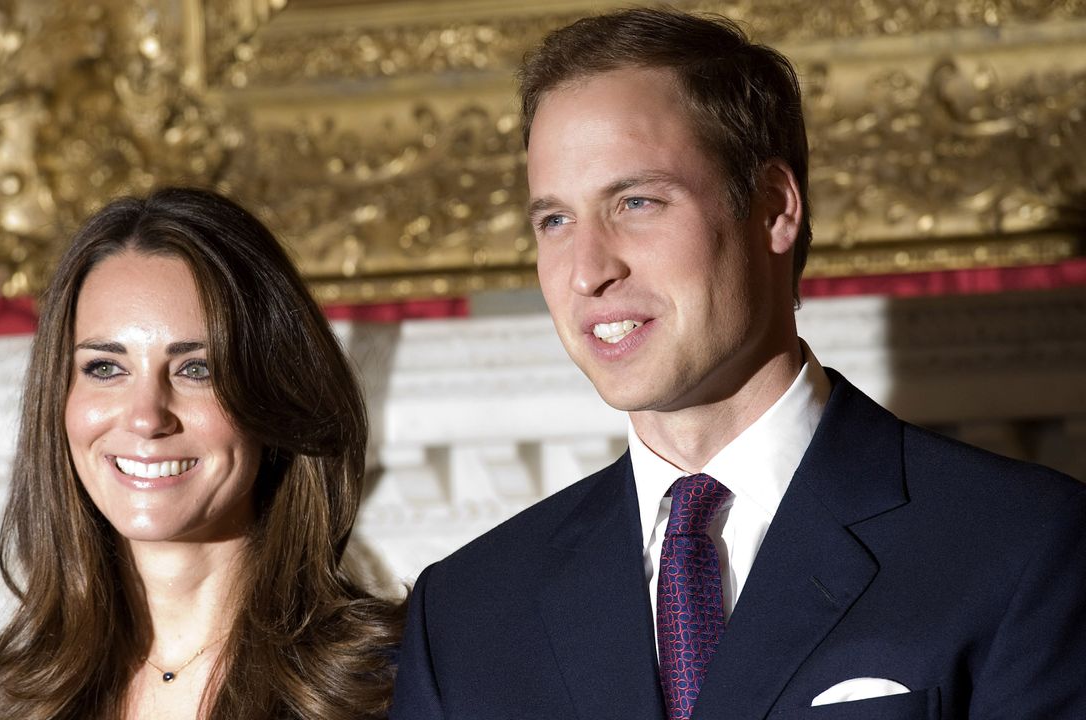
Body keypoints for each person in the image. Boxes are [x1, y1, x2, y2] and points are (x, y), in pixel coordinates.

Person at [391, 7, 1086, 719]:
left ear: (775, 208)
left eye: (636, 201)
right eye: (555, 221)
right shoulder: (465, 614)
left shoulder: (1022, 547)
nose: (585, 272)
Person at [0, 187, 401, 720]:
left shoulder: (392, 684)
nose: (146, 416)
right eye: (105, 368)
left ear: (274, 395)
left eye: (196, 369)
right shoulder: (8, 703)